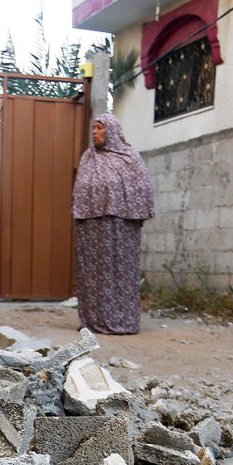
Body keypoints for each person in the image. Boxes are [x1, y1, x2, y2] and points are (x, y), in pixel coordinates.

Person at [72, 113, 155, 335]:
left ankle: (123, 321)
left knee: (120, 273)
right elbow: (80, 189)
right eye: (94, 128)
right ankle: (92, 320)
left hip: (121, 229)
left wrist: (120, 206)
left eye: (99, 128)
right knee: (92, 273)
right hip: (91, 228)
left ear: (113, 131)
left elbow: (143, 189)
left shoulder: (130, 158)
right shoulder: (88, 157)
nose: (94, 132)